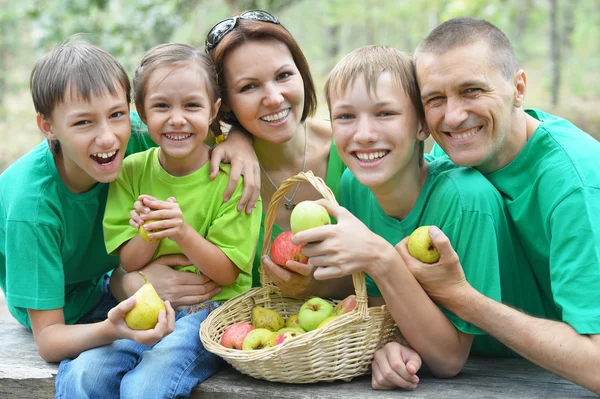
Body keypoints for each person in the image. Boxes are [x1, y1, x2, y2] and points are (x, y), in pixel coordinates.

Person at [292, 45, 546, 389]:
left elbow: (450, 358)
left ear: (422, 126)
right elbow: (387, 308)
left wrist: (381, 257)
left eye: (385, 114)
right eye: (346, 116)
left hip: (520, 372)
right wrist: (393, 347)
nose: (364, 134)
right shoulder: (355, 185)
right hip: (431, 356)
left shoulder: (466, 198)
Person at [401, 17, 600, 393]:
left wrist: (464, 299)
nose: (454, 116)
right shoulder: (452, 152)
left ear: (518, 88)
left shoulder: (577, 184)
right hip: (465, 374)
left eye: (472, 90)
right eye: (435, 99)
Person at [55, 43, 262, 399]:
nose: (177, 118)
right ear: (142, 112)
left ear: (214, 110)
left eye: (192, 105)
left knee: (146, 386)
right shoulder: (131, 171)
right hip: (147, 305)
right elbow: (128, 261)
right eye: (162, 106)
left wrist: (182, 232)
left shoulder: (232, 179)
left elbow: (227, 274)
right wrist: (149, 232)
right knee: (84, 375)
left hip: (210, 313)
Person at [0, 40, 177, 365]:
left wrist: (232, 143)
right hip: (62, 307)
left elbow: (208, 127)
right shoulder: (34, 207)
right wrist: (112, 329)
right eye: (84, 122)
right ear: (48, 127)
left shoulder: (137, 132)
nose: (108, 137)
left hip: (110, 276)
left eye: (116, 114)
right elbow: (50, 341)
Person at [202, 10, 348, 296]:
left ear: (302, 74)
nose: (273, 98)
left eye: (283, 75)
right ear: (226, 103)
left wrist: (321, 287)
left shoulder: (351, 149)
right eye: (249, 86)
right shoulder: (218, 172)